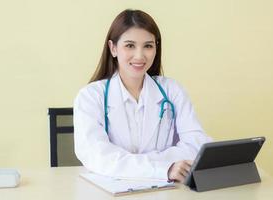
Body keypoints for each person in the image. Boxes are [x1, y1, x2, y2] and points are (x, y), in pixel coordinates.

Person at [74, 9, 212, 183]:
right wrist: (164, 168)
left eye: (148, 45)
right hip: (111, 191)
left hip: (167, 190)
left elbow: (197, 145)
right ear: (113, 48)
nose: (139, 56)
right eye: (130, 45)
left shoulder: (172, 91)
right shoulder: (90, 97)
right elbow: (97, 156)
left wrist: (130, 163)